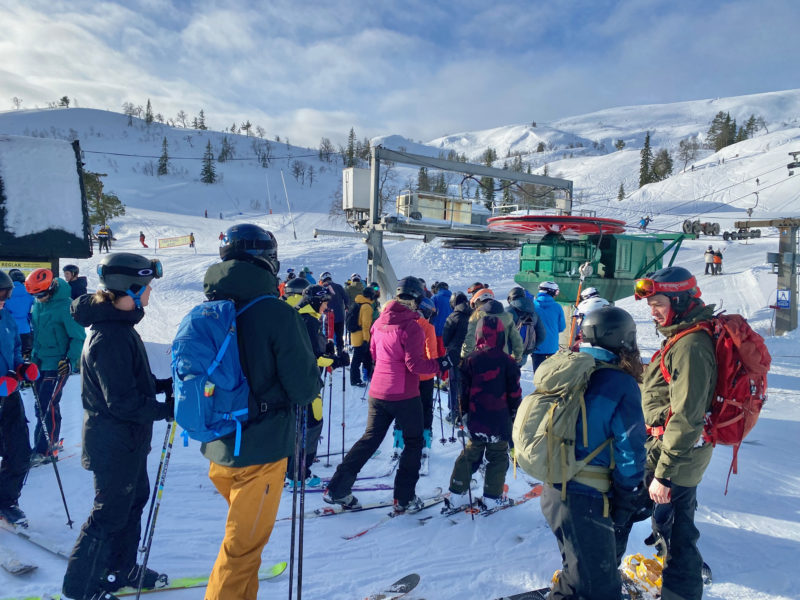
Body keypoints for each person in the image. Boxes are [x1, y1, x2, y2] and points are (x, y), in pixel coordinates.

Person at [200, 224, 319, 600]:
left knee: (246, 547)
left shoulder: (208, 307)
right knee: (241, 552)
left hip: (219, 446)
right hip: (262, 452)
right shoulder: (277, 313)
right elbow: (304, 388)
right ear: (266, 261)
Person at [62, 253, 172, 600]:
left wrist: (161, 385)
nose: (150, 295)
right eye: (147, 288)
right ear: (130, 290)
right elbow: (122, 402)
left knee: (134, 500)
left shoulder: (119, 328)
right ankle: (78, 590)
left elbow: (129, 382)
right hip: (113, 444)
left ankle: (118, 569)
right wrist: (166, 409)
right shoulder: (109, 337)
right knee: (108, 515)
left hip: (127, 442)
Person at [538, 306, 648, 600]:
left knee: (579, 576)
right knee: (598, 589)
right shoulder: (619, 382)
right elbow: (630, 447)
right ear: (623, 339)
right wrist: (630, 493)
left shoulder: (567, 368)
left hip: (554, 490)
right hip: (586, 499)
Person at [324, 276, 450, 513]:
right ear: (416, 300)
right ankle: (404, 497)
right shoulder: (411, 326)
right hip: (404, 393)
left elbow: (373, 353)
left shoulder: (380, 321)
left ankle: (337, 488)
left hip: (378, 391)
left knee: (370, 439)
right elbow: (415, 365)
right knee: (413, 442)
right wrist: (440, 364)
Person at [633, 266, 717, 600]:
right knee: (670, 523)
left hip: (677, 458)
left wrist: (664, 475)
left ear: (680, 300)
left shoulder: (691, 346)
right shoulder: (680, 338)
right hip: (668, 450)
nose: (652, 310)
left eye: (658, 303)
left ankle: (681, 588)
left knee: (680, 536)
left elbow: (686, 417)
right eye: (650, 304)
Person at [446, 315, 521, 509]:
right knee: (497, 455)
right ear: (501, 335)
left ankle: (457, 492)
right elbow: (514, 392)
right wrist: (515, 412)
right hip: (499, 418)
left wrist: (460, 412)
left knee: (471, 452)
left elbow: (462, 390)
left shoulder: (470, 359)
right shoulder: (508, 362)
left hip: (476, 417)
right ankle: (491, 496)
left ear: (479, 334)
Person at [289, 284, 348, 487]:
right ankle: (299, 474)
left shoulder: (299, 316)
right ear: (315, 301)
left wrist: (327, 349)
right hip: (306, 383)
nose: (326, 307)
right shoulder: (308, 321)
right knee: (312, 425)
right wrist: (337, 360)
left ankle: (293, 470)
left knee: (300, 427)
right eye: (324, 303)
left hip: (297, 382)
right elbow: (313, 357)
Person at [25, 269, 86, 464]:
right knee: (45, 403)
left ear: (50, 288)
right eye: (35, 295)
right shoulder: (38, 305)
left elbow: (78, 337)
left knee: (46, 403)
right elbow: (37, 337)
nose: (38, 298)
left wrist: (70, 360)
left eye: (41, 294)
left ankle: (44, 449)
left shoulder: (66, 306)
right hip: (41, 362)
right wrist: (33, 360)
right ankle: (51, 440)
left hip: (58, 364)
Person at [0, 270, 39, 526]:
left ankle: (6, 502)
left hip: (10, 397)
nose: (4, 300)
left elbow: (14, 348)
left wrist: (22, 367)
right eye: (0, 295)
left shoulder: (6, 317)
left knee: (20, 453)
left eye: (6, 294)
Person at [461, 289, 523, 363]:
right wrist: (517, 356)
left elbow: (470, 340)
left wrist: (463, 356)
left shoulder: (477, 317)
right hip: (502, 359)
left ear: (477, 302)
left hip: (481, 360)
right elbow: (516, 339)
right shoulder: (507, 317)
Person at [442, 291, 471, 422]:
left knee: (454, 383)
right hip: (471, 354)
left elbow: (445, 340)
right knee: (468, 382)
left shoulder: (453, 317)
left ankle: (455, 412)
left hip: (455, 355)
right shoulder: (474, 315)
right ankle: (467, 410)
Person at [506, 286, 546, 367]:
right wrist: (531, 347)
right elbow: (542, 335)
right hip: (524, 354)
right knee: (516, 376)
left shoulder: (507, 311)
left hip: (508, 355)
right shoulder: (533, 313)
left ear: (510, 298)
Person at [532, 281, 566, 372]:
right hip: (552, 348)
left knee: (538, 376)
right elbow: (562, 327)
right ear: (551, 292)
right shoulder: (557, 307)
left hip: (536, 347)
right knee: (551, 376)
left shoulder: (532, 306)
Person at [349, 285, 376, 387]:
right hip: (362, 337)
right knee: (357, 359)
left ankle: (367, 376)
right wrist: (366, 340)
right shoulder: (367, 307)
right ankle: (355, 380)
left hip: (355, 335)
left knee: (365, 357)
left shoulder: (358, 303)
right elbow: (366, 325)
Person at [4, 269, 34, 359]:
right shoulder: (30, 294)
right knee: (24, 356)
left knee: (10, 355)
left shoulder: (5, 293)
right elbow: (32, 312)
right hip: (25, 329)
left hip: (9, 329)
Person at [320, 271, 348, 353]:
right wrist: (346, 306)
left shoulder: (322, 288)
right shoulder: (339, 287)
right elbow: (346, 298)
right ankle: (340, 352)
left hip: (327, 317)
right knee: (339, 336)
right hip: (340, 316)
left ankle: (329, 353)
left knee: (328, 337)